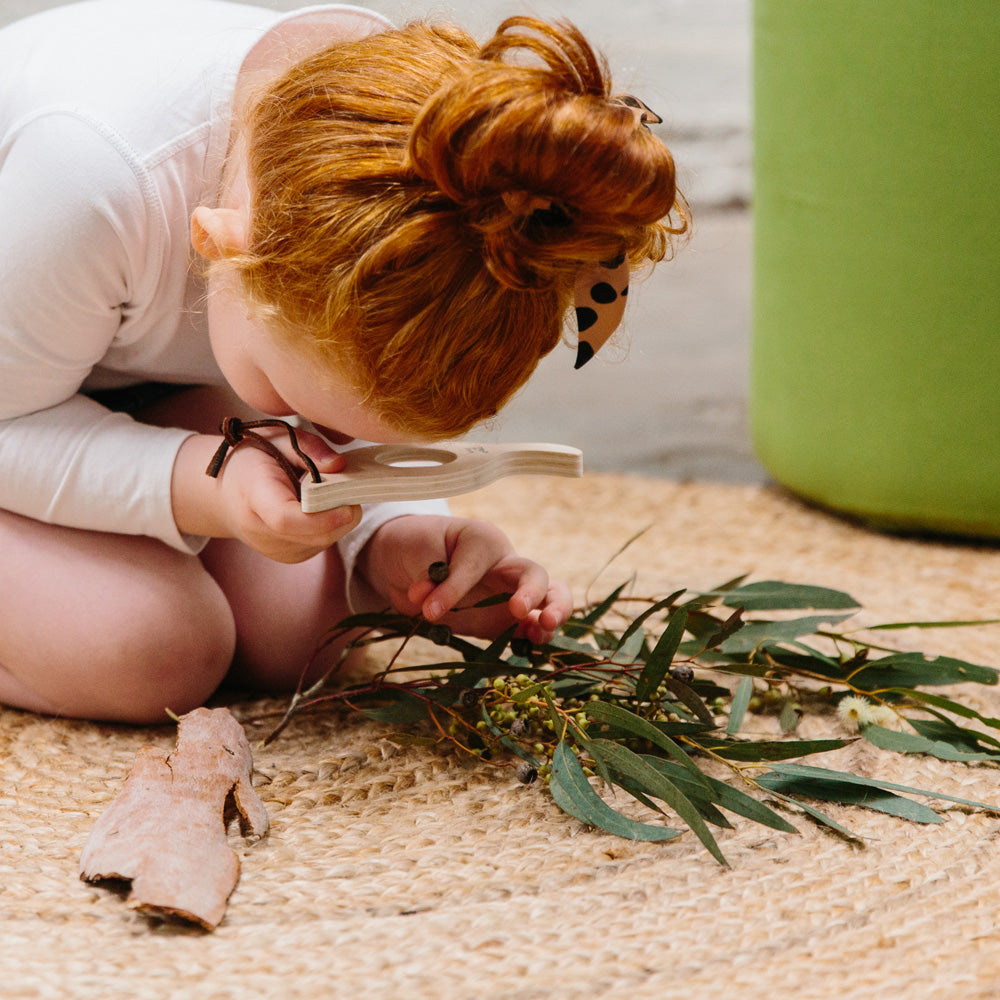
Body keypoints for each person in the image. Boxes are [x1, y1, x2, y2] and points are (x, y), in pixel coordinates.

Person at [0, 0, 687, 723]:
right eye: (298, 407)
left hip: (97, 377)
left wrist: (394, 536)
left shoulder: (424, 173)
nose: (324, 438)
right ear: (223, 243)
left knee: (305, 634)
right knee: (154, 649)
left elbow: (353, 391)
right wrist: (204, 487)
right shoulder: (98, 177)